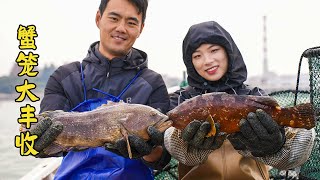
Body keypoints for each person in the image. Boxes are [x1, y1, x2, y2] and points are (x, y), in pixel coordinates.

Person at [28, 0, 172, 179]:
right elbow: (42, 143)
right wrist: (37, 142)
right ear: (98, 18)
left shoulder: (153, 83)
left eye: (131, 22)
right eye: (114, 18)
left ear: (141, 28)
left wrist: (150, 150)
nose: (121, 28)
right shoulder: (65, 77)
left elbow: (162, 156)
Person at [164, 21, 316, 180]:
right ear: (190, 63)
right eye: (197, 56)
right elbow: (168, 136)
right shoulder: (182, 99)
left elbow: (296, 151)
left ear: (228, 52)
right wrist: (185, 143)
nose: (207, 60)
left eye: (214, 50)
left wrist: (276, 144)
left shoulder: (254, 94)